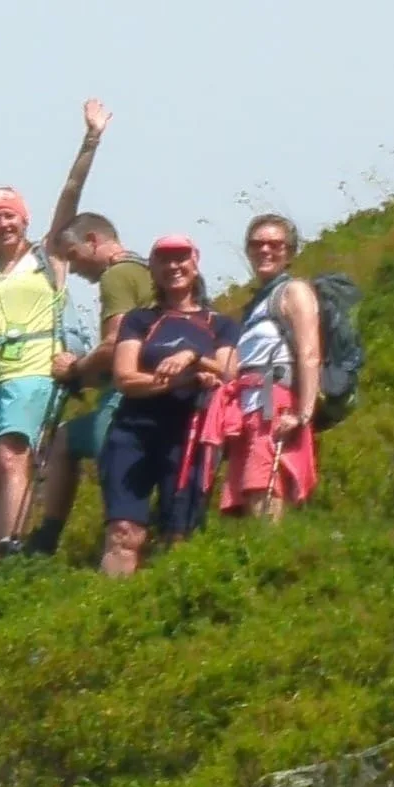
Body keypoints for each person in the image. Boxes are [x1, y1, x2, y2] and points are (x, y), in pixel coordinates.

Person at [0, 98, 109, 556]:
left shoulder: (49, 256)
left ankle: (13, 543)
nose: (2, 222)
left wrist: (90, 140)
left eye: (9, 215)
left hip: (31, 368)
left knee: (13, 454)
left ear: (24, 219)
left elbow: (70, 193)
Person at [99, 235, 238, 576]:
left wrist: (192, 357)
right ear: (152, 268)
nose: (174, 266)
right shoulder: (139, 320)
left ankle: (172, 600)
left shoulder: (220, 324)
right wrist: (179, 381)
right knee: (123, 532)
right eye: (164, 260)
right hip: (133, 433)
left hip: (190, 433)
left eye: (181, 258)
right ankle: (109, 601)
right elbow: (125, 378)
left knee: (180, 535)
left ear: (195, 263)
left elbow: (228, 372)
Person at [25, 208, 154, 556]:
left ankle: (49, 539)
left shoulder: (117, 276)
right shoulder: (147, 271)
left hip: (125, 398)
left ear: (93, 240)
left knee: (72, 443)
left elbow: (115, 344)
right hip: (157, 388)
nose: (75, 268)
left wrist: (75, 367)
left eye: (74, 255)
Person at [217, 213, 321, 520]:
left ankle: (271, 547)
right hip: (249, 405)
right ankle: (260, 548)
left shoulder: (294, 291)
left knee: (263, 484)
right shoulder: (255, 304)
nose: (265, 250)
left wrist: (303, 413)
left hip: (273, 401)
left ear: (290, 252)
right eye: (257, 244)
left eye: (275, 244)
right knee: (247, 492)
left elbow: (309, 353)